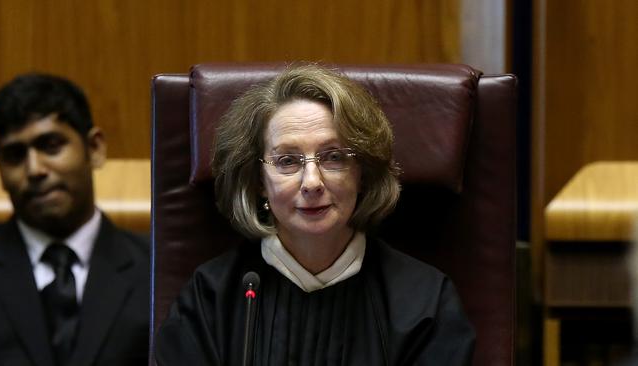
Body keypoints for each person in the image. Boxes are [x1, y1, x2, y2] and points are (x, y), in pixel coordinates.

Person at [154, 64, 475, 365]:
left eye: (333, 157)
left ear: (361, 173)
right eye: (287, 161)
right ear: (258, 182)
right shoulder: (210, 300)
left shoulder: (425, 303)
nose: (312, 183)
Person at [0, 74, 149, 366]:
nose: (35, 169)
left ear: (95, 149)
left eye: (51, 145)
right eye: (14, 155)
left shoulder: (157, 269)